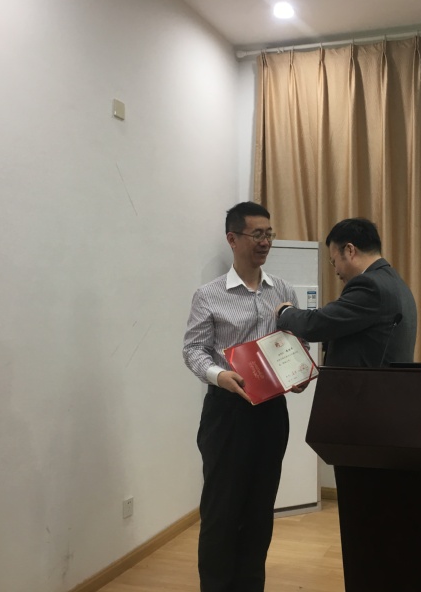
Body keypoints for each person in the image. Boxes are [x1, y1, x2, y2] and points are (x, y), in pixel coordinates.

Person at [182, 201, 300, 592]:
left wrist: (298, 373)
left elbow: (291, 343)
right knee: (221, 509)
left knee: (259, 508)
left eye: (269, 234)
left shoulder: (282, 290)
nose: (265, 242)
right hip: (227, 412)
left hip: (271, 411)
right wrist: (218, 375)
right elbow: (194, 350)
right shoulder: (209, 295)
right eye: (257, 234)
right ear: (232, 239)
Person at [275, 218, 417, 367]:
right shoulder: (397, 283)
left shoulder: (371, 286)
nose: (336, 271)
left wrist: (285, 311)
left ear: (350, 250)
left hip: (364, 382)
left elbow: (318, 324)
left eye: (334, 262)